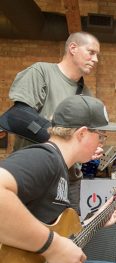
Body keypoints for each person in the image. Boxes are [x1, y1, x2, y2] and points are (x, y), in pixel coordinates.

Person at [0, 95, 116, 263]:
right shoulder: (45, 158)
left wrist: (96, 219)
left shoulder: (63, 167)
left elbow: (58, 228)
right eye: (100, 136)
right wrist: (53, 247)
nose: (101, 144)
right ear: (82, 134)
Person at [2, 31, 101, 215]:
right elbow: (19, 117)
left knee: (70, 233)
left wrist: (89, 148)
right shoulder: (41, 72)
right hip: (38, 171)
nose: (95, 59)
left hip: (71, 178)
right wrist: (61, 139)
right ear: (73, 48)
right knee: (29, 237)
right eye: (91, 52)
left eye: (97, 55)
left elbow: (82, 136)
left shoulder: (86, 93)